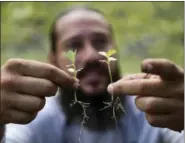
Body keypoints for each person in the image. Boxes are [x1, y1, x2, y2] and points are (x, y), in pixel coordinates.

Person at [0, 6, 184, 143]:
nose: (92, 56)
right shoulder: (35, 118)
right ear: (53, 59)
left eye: (100, 42)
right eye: (73, 46)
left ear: (116, 50)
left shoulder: (153, 110)